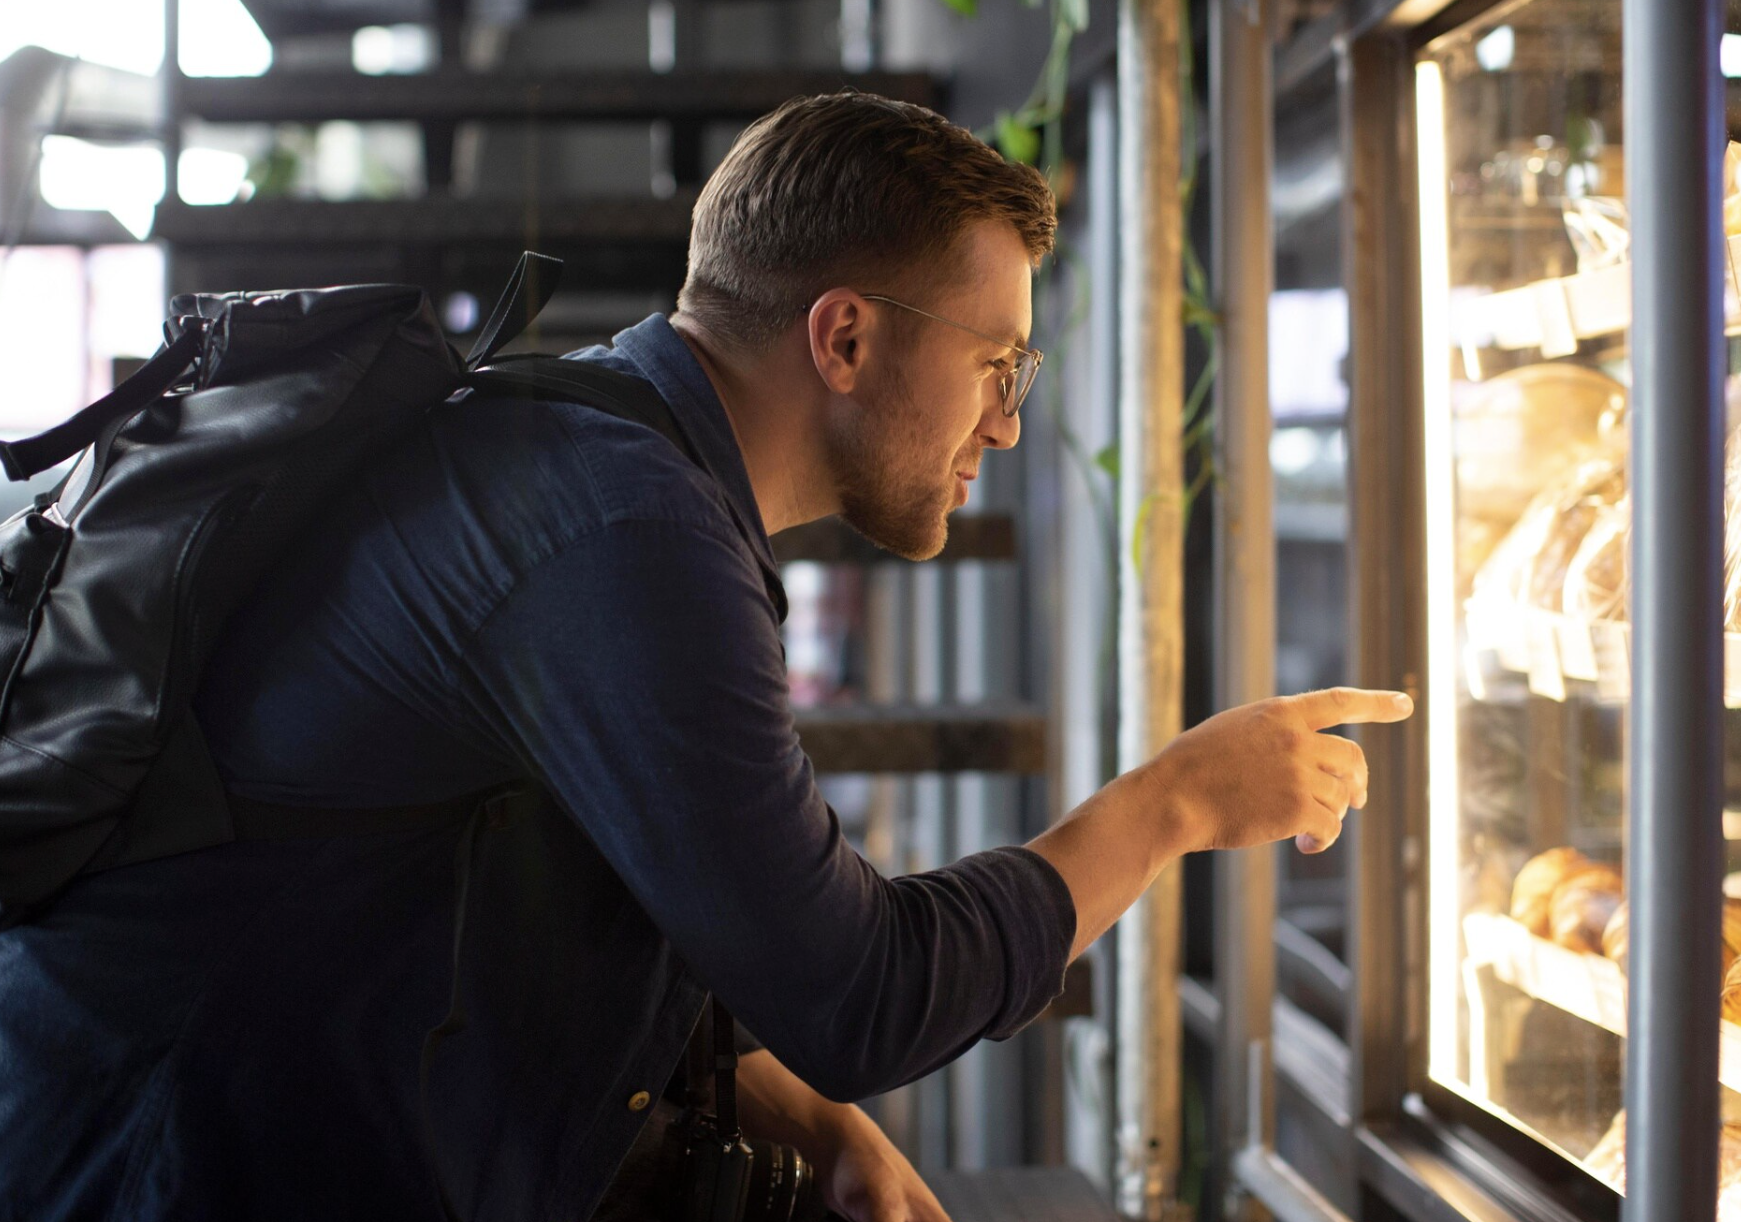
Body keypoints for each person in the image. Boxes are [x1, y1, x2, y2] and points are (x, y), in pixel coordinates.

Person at [0, 92, 1410, 1222]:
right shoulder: (618, 526)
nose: (1007, 425)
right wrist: (1169, 802)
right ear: (844, 335)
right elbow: (856, 989)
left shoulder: (610, 466)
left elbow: (582, 870)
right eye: (1000, 366)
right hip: (151, 1166)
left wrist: (794, 1104)